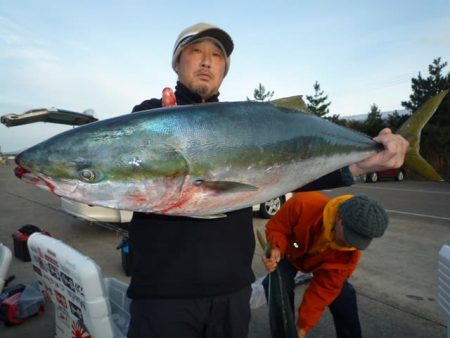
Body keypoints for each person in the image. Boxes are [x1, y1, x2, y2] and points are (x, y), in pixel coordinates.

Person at [126, 22, 409, 338]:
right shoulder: (149, 117)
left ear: (224, 69)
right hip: (163, 296)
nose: (207, 61)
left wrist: (359, 165)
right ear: (177, 62)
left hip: (232, 292)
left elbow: (289, 171)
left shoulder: (247, 125)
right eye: (196, 51)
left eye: (217, 55)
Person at [262, 192, 390, 338]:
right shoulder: (305, 203)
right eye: (349, 235)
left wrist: (303, 326)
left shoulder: (350, 253)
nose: (349, 244)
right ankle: (284, 333)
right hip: (290, 251)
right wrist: (276, 248)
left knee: (346, 296)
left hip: (319, 264)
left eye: (358, 241)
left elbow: (324, 288)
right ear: (340, 218)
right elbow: (278, 228)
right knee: (276, 285)